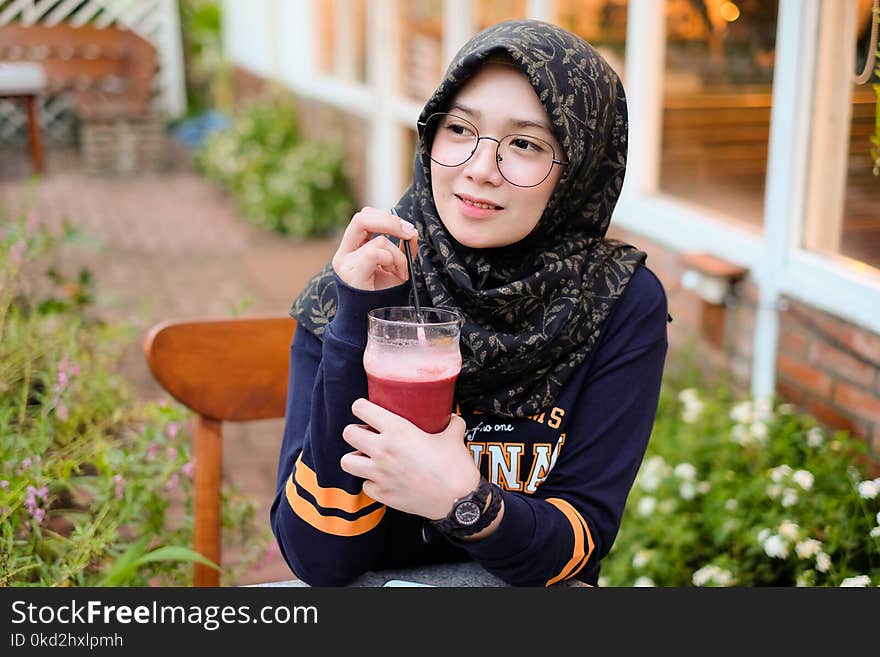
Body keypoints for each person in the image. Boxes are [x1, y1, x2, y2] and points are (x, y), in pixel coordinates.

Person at [271, 19, 669, 587]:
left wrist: (462, 501)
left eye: (526, 144)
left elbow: (579, 540)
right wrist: (360, 320)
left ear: (578, 169)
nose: (480, 169)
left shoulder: (615, 301)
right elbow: (320, 559)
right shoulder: (360, 281)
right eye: (459, 129)